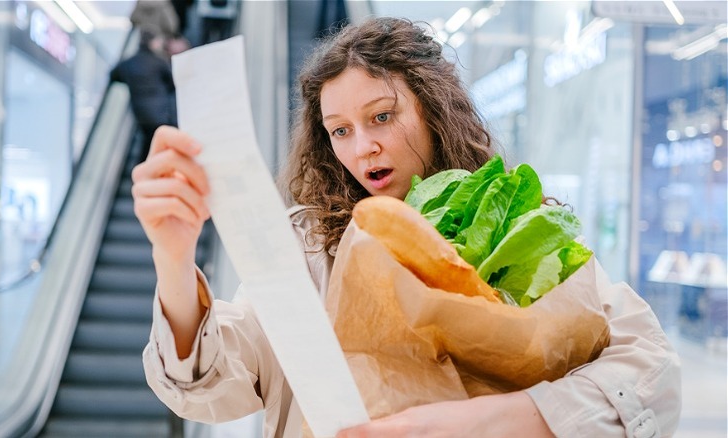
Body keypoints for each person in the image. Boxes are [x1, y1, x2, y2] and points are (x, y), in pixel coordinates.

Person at [132, 17, 681, 437]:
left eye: (382, 117)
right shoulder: (309, 246)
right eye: (339, 130)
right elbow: (214, 384)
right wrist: (173, 258)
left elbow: (651, 372)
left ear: (433, 108)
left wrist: (502, 418)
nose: (361, 146)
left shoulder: (517, 224)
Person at [110, 26, 177, 164]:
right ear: (152, 43)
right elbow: (172, 83)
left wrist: (132, 82)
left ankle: (142, 171)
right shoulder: (158, 62)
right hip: (160, 111)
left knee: (148, 141)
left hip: (140, 113)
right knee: (160, 141)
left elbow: (113, 75)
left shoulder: (129, 63)